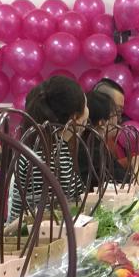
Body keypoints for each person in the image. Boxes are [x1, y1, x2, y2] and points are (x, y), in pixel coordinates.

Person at [9, 76, 88, 218]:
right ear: (75, 117)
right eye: (86, 105)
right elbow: (49, 217)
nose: (88, 111)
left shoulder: (58, 147)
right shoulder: (46, 157)